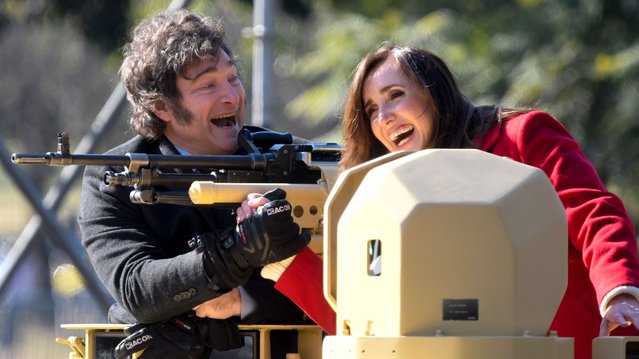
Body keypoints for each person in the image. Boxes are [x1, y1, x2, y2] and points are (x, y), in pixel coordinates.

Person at [242, 42, 639, 359]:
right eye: (371, 110)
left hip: (562, 345)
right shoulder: (387, 198)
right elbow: (371, 328)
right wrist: (287, 257)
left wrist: (618, 291)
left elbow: (593, 212)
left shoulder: (521, 136)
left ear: (437, 93)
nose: (384, 117)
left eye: (395, 95)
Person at [78, 9, 312, 358]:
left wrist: (241, 301)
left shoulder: (286, 160)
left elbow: (337, 288)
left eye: (233, 79)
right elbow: (137, 288)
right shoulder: (113, 177)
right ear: (162, 107)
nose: (231, 96)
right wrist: (239, 248)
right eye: (207, 85)